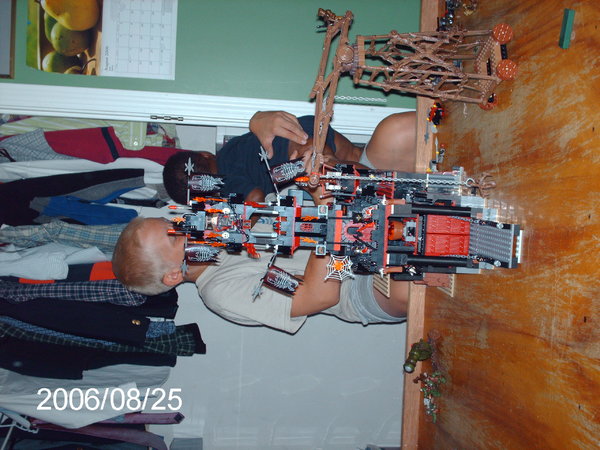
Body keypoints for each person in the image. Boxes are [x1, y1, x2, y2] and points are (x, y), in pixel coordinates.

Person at [162, 110, 416, 204]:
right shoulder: (230, 148)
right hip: (300, 130)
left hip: (296, 152)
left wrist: (247, 222)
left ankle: (386, 188)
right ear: (205, 154)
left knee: (326, 168)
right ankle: (376, 180)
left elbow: (255, 197)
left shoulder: (226, 183)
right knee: (332, 162)